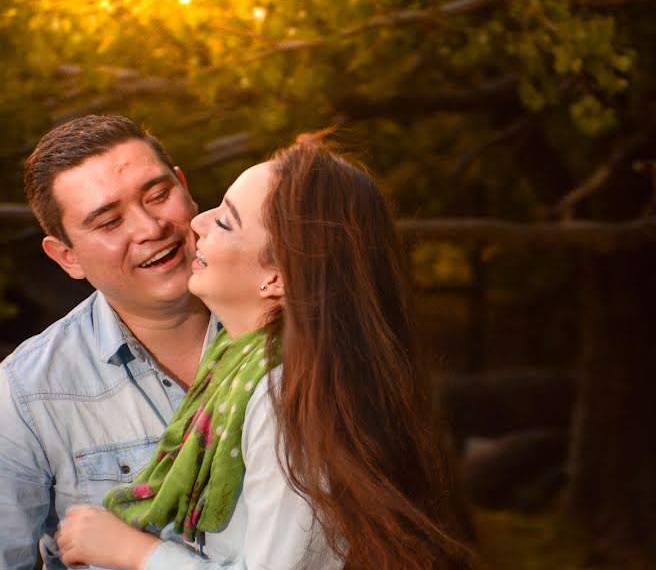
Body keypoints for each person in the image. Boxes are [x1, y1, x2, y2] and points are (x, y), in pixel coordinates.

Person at [56, 133, 477, 569]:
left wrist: (132, 552)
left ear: (276, 279)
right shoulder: (238, 367)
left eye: (225, 223)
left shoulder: (285, 400)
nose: (198, 223)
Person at [0, 115, 217, 570]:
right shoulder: (26, 392)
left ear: (185, 187)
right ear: (67, 257)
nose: (149, 227)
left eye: (158, 195)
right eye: (109, 221)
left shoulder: (295, 333)